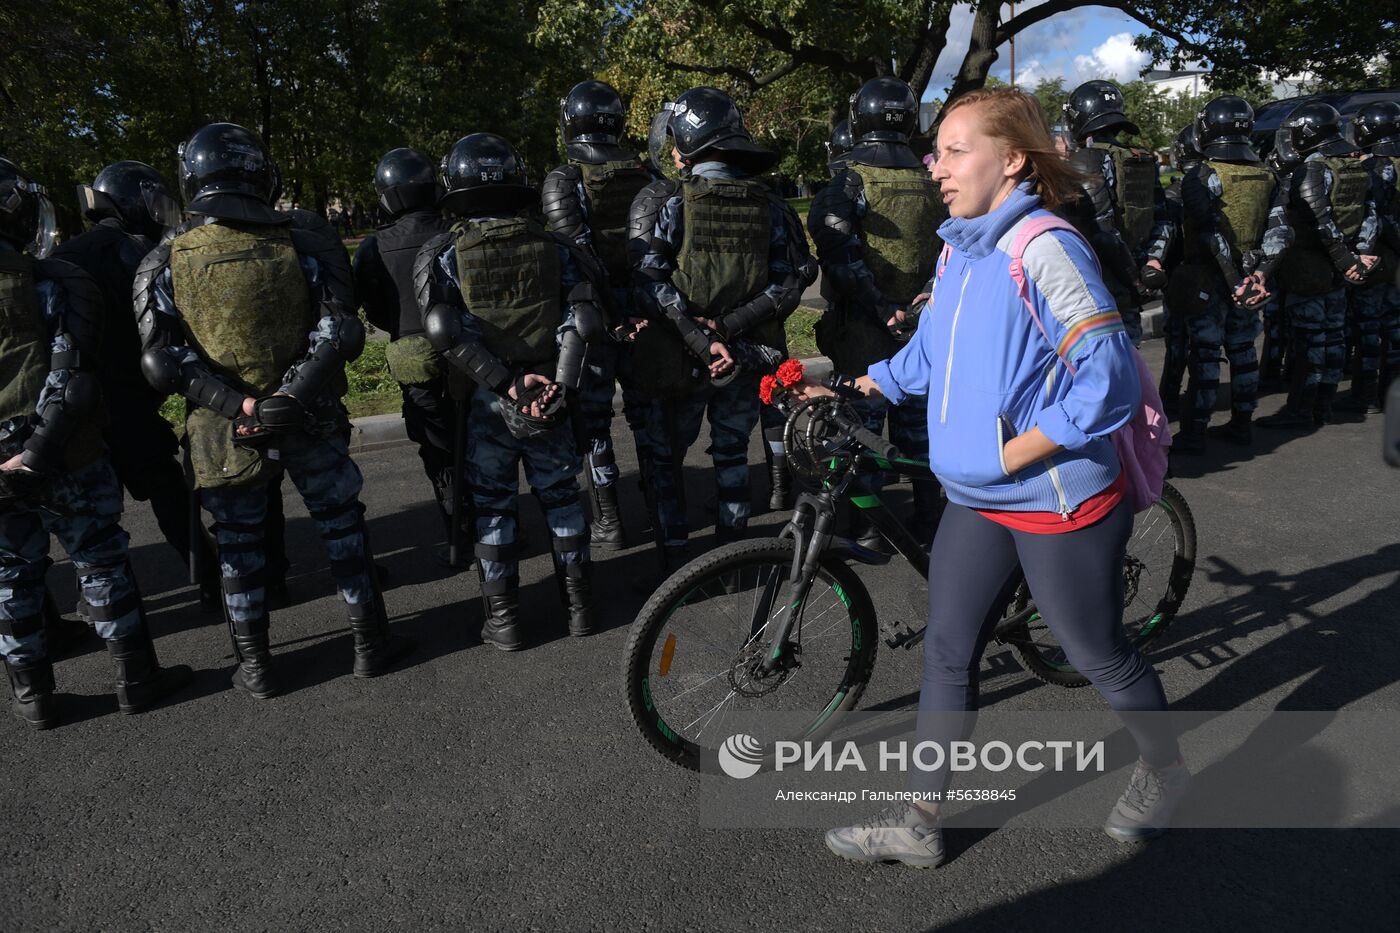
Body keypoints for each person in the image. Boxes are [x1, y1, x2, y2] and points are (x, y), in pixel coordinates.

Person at [808, 89, 1187, 867]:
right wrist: (864, 383)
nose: (933, 167)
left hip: (1057, 501)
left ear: (1011, 159)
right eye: (934, 151)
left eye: (952, 150)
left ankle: (1166, 769)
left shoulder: (1044, 247)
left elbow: (1110, 379)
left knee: (1099, 654)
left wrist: (1014, 453)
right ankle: (918, 820)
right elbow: (929, 356)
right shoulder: (961, 248)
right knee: (948, 652)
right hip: (977, 500)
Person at [135, 123, 410, 699]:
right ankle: (370, 644)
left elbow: (163, 362)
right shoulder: (303, 236)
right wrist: (291, 396)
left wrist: (239, 402)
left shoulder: (164, 259)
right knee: (342, 525)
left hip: (223, 426)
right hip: (307, 415)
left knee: (239, 543)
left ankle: (257, 666)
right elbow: (340, 331)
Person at [1, 157, 191, 729]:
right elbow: (74, 378)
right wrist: (36, 450)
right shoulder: (49, 281)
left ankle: (33, 699)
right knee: (100, 560)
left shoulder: (58, 270)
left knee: (10, 576)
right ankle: (137, 679)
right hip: (64, 452)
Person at [417, 132, 606, 647]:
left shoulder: (444, 254)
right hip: (551, 393)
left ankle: (504, 620)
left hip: (487, 401)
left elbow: (445, 331)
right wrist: (558, 386)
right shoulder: (556, 246)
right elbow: (584, 318)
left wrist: (506, 383)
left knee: (495, 509)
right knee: (564, 499)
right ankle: (581, 608)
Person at [630, 86, 810, 573]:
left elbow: (647, 283)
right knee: (732, 453)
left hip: (681, 356)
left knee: (667, 459)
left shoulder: (664, 199)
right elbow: (790, 284)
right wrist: (729, 328)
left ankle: (673, 570)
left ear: (686, 142)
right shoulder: (773, 205)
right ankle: (733, 563)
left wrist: (700, 334)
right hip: (747, 356)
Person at [55, 162, 220, 615]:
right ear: (135, 200)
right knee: (166, 491)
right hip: (128, 399)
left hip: (71, 405)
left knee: (87, 517)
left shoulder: (64, 256)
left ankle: (92, 606)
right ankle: (208, 580)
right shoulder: (143, 253)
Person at [809, 77, 946, 550]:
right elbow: (954, 248)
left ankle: (869, 533)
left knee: (860, 439)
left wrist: (882, 307)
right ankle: (930, 526)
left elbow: (839, 256)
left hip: (865, 336)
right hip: (922, 331)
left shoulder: (847, 182)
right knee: (920, 438)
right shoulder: (936, 179)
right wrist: (923, 300)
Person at [542, 80, 656, 550]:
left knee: (594, 427)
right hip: (647, 315)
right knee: (648, 418)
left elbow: (578, 253)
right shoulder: (646, 173)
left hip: (597, 320)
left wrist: (612, 317)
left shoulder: (563, 180)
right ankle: (662, 510)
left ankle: (610, 522)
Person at [352, 147, 464, 563]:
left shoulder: (372, 247)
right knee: (478, 440)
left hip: (412, 359)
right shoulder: (456, 231)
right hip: (467, 353)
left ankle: (456, 525)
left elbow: (374, 307)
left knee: (437, 450)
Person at [1174, 96, 1290, 452]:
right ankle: (1242, 424)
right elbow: (1281, 231)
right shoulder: (1268, 175)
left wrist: (1237, 281)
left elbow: (1210, 234)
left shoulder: (1201, 176)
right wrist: (1259, 276)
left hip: (1210, 282)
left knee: (1207, 355)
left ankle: (1194, 434)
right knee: (1243, 352)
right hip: (1251, 281)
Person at [1257, 102, 1379, 430]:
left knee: (1311, 342)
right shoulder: (1351, 165)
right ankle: (1323, 407)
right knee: (1333, 338)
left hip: (1312, 267)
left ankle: (1301, 411)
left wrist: (1347, 260)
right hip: (1342, 269)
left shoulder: (1312, 169)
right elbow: (1368, 213)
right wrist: (1358, 256)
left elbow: (1319, 221)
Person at [1063, 79, 1171, 344]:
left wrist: (1134, 281)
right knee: (1131, 365)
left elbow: (1103, 232)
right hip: (1135, 281)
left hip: (1100, 287)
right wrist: (1151, 262)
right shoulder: (1140, 158)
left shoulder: (1085, 161)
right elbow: (1163, 220)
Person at [1342, 101, 1400, 413]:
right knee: (1394, 329)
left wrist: (1359, 255)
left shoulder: (1378, 167)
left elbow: (1378, 217)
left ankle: (1364, 396)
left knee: (1369, 330)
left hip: (1379, 259)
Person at [1152, 124, 1200, 417]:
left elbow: (1167, 234)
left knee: (1178, 343)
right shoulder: (1213, 185)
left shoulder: (1176, 191)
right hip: (1211, 277)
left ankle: (1169, 398)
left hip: (1180, 277)